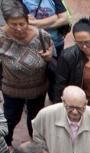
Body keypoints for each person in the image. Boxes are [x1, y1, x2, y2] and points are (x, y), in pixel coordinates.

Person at [0, 3, 55, 145]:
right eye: (13, 25)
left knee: (35, 119)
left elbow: (51, 56)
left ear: (27, 20)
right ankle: (5, 145)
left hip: (37, 88)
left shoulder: (42, 36)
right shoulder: (1, 37)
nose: (19, 28)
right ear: (6, 23)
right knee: (10, 118)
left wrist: (48, 57)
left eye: (22, 24)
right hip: (12, 88)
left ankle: (36, 144)